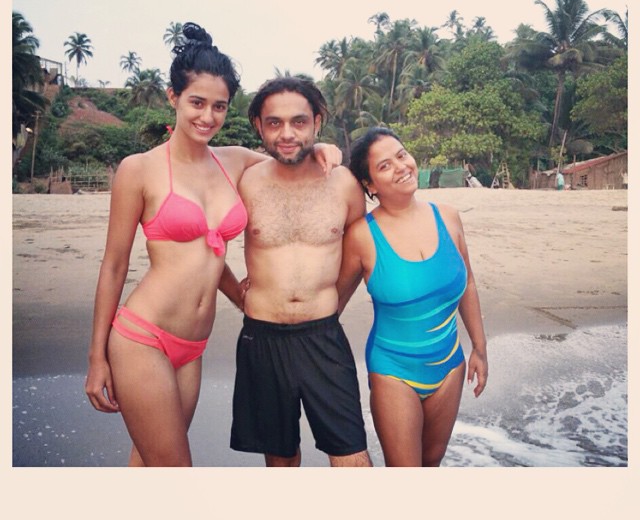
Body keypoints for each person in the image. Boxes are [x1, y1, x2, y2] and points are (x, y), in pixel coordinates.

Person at [84, 24, 340, 466]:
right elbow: (114, 266)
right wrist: (96, 358)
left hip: (192, 347)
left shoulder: (235, 161)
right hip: (143, 337)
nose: (208, 116)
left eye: (219, 106)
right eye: (197, 102)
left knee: (148, 463)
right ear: (173, 97)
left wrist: (325, 148)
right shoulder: (138, 170)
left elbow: (291, 155)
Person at [228, 76, 372, 467]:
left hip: (323, 337)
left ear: (317, 122)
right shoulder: (243, 182)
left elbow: (358, 254)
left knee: (351, 456)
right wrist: (235, 292)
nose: (287, 133)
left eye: (299, 121)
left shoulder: (344, 184)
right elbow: (205, 246)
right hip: (261, 339)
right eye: (274, 123)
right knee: (281, 458)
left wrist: (333, 304)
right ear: (258, 126)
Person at [336, 126, 488, 467]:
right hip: (394, 371)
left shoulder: (448, 217)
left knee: (431, 462)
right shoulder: (361, 236)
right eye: (385, 165)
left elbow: (468, 282)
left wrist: (479, 347)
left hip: (450, 366)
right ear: (370, 185)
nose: (401, 167)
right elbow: (332, 305)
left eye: (402, 155)